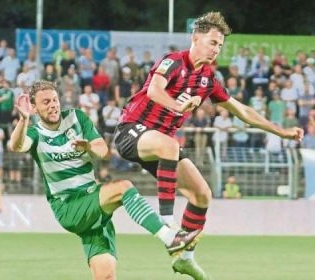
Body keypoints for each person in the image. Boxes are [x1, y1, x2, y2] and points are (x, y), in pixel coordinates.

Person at [114, 11, 304, 279]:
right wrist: (180, 105)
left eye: (220, 46)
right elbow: (155, 91)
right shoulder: (173, 61)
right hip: (132, 131)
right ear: (195, 38)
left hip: (161, 145)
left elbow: (243, 111)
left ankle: (185, 258)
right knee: (169, 143)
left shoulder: (208, 80)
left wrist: (280, 131)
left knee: (202, 194)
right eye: (212, 42)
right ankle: (169, 229)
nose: (216, 49)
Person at [9, 80, 201, 280]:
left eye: (55, 100)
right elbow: (16, 146)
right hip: (69, 206)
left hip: (93, 206)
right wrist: (23, 120)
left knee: (106, 277)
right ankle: (170, 238)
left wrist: (88, 147)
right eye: (46, 102)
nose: (53, 105)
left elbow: (103, 150)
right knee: (124, 187)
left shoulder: (76, 117)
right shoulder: (35, 133)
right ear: (34, 108)